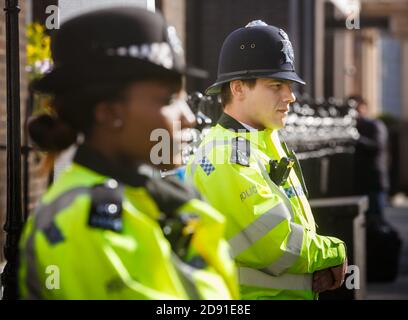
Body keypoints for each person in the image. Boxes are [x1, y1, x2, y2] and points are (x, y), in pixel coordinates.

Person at [18, 7, 239, 300]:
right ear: (109, 113)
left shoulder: (149, 195)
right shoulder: (82, 221)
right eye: (169, 99)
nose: (189, 117)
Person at [186, 20, 347, 300]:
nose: (291, 96)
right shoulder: (228, 155)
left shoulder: (262, 141)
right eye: (276, 85)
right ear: (237, 89)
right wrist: (333, 253)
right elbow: (276, 245)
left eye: (289, 85)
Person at [349, 95, 390, 224]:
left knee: (377, 220)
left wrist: (357, 138)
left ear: (364, 108)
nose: (354, 112)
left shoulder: (375, 124)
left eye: (356, 107)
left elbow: (377, 146)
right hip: (361, 183)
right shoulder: (355, 126)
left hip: (374, 182)